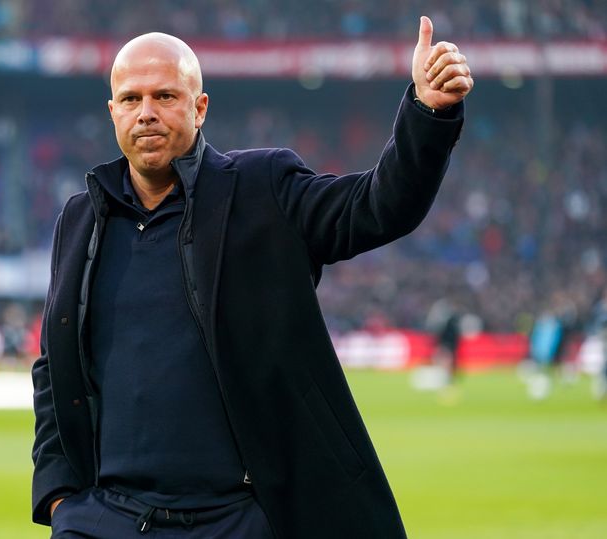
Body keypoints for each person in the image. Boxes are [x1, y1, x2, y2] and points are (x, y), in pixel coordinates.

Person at [32, 17, 472, 539]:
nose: (146, 112)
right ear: (113, 112)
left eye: (165, 96)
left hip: (236, 519)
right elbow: (54, 367)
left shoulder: (262, 188)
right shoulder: (80, 219)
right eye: (131, 99)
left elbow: (376, 206)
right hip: (110, 517)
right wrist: (60, 496)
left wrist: (427, 114)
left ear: (199, 108)